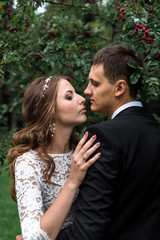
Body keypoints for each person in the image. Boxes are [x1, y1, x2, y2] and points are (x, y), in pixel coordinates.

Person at [55, 44, 160, 240]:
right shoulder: (156, 130)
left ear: (120, 87)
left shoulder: (103, 137)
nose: (86, 91)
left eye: (95, 83)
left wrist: (40, 237)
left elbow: (87, 232)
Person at [8, 75, 101, 240]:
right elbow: (34, 238)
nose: (81, 99)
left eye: (76, 93)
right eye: (69, 96)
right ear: (48, 110)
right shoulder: (28, 163)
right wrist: (73, 181)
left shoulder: (84, 152)